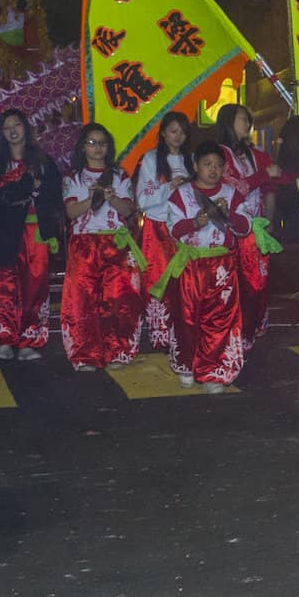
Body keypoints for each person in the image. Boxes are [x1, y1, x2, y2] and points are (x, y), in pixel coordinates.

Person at [0, 110, 63, 361]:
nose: (13, 130)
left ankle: (28, 341)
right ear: (1, 134)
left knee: (35, 285)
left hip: (35, 232)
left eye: (17, 125)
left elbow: (55, 196)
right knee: (4, 285)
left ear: (26, 128)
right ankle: (3, 340)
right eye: (7, 127)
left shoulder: (43, 162)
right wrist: (16, 190)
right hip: (4, 233)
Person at [162, 142, 250, 392]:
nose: (213, 170)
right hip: (191, 265)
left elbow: (245, 228)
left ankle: (214, 372)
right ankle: (187, 365)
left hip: (222, 266)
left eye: (218, 165)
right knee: (187, 317)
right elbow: (173, 230)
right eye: (207, 164)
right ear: (195, 165)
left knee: (220, 320)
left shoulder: (232, 195)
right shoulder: (181, 195)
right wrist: (195, 223)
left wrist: (228, 215)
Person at [60, 124, 144, 371]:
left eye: (102, 143)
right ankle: (85, 354)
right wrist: (91, 198)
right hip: (84, 243)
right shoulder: (73, 178)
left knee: (119, 300)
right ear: (83, 146)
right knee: (82, 301)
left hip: (115, 242)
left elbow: (128, 210)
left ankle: (118, 350)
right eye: (92, 143)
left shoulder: (120, 177)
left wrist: (111, 197)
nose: (97, 148)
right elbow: (71, 211)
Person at [215, 104, 285, 350]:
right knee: (240, 283)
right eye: (243, 119)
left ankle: (251, 329)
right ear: (228, 122)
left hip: (257, 228)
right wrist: (264, 174)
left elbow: (278, 177)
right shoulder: (220, 155)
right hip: (234, 230)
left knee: (258, 281)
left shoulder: (254, 154)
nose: (248, 124)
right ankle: (238, 332)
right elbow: (235, 187)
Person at [134, 112, 193, 353]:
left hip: (185, 229)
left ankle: (184, 329)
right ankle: (160, 335)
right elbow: (143, 199)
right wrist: (170, 186)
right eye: (173, 131)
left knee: (186, 282)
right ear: (163, 133)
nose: (177, 136)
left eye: (182, 132)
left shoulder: (192, 159)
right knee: (157, 280)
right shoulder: (150, 159)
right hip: (157, 229)